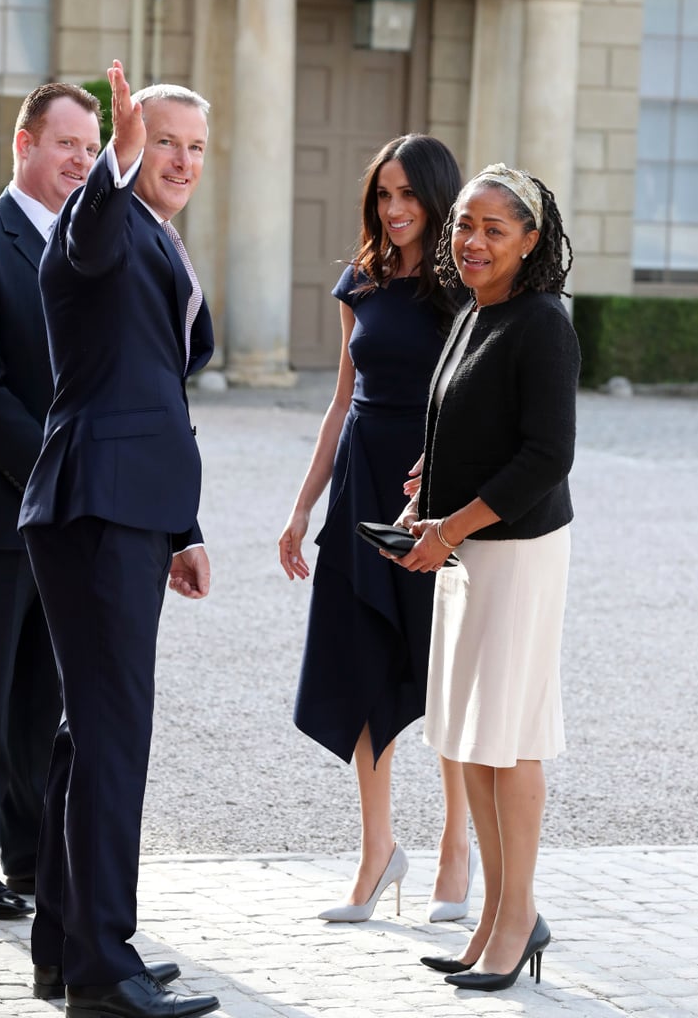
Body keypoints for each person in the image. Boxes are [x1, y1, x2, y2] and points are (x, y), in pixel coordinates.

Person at [18, 61, 219, 1018]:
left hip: (130, 509)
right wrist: (115, 160)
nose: (178, 160)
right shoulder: (96, 226)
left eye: (193, 147)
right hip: (96, 506)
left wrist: (183, 526)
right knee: (112, 737)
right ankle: (103, 967)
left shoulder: (155, 237)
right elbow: (85, 234)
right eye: (162, 140)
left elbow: (156, 390)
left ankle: (66, 943)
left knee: (85, 734)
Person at [279, 134, 478, 924]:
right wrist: (300, 507)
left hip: (436, 489)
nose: (393, 210)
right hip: (361, 484)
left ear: (437, 197)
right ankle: (377, 853)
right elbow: (339, 402)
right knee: (362, 666)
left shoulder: (466, 283)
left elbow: (478, 400)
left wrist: (443, 475)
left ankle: (456, 850)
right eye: (382, 196)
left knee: (442, 676)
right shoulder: (358, 281)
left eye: (407, 196)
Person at [389, 163, 579, 991]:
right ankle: (503, 916)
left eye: (493, 229)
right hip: (463, 546)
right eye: (464, 224)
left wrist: (452, 525)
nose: (471, 241)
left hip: (513, 553)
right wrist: (424, 489)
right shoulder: (474, 312)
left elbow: (546, 454)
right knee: (467, 744)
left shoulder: (542, 322)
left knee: (509, 742)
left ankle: (513, 922)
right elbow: (471, 422)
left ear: (529, 241)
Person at [0, 82, 102, 921]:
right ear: (25, 145)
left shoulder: (92, 247)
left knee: (41, 703)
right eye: (66, 145)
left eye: (90, 149)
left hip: (65, 520)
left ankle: (29, 858)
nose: (79, 162)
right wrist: (53, 472)